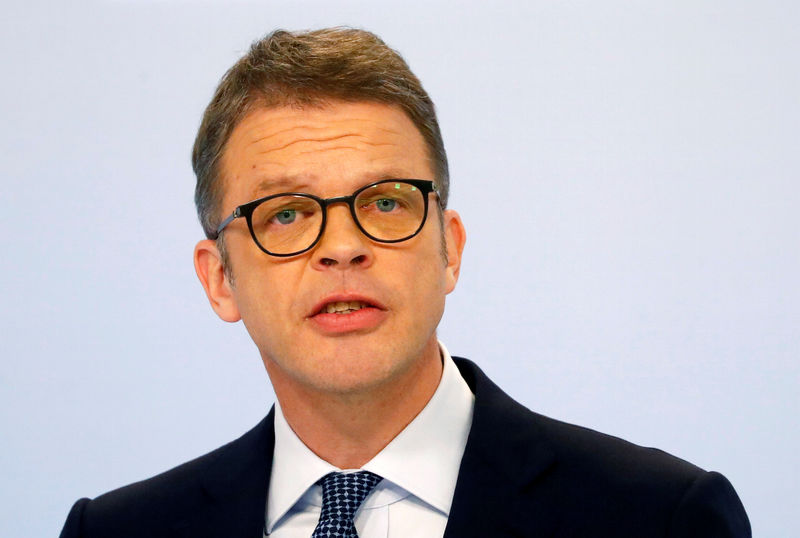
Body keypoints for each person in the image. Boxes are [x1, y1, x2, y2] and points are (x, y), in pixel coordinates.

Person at [59, 27, 751, 537]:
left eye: (385, 201)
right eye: (288, 214)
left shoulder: (659, 518)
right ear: (220, 282)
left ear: (448, 250)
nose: (342, 248)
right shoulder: (118, 532)